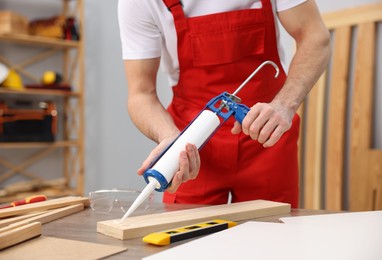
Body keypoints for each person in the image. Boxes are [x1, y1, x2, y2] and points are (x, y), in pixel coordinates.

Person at [117, 0, 330, 208]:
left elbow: (315, 37)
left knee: (272, 235)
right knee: (188, 239)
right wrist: (171, 140)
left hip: (266, 136)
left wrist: (284, 105)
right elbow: (141, 93)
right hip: (194, 148)